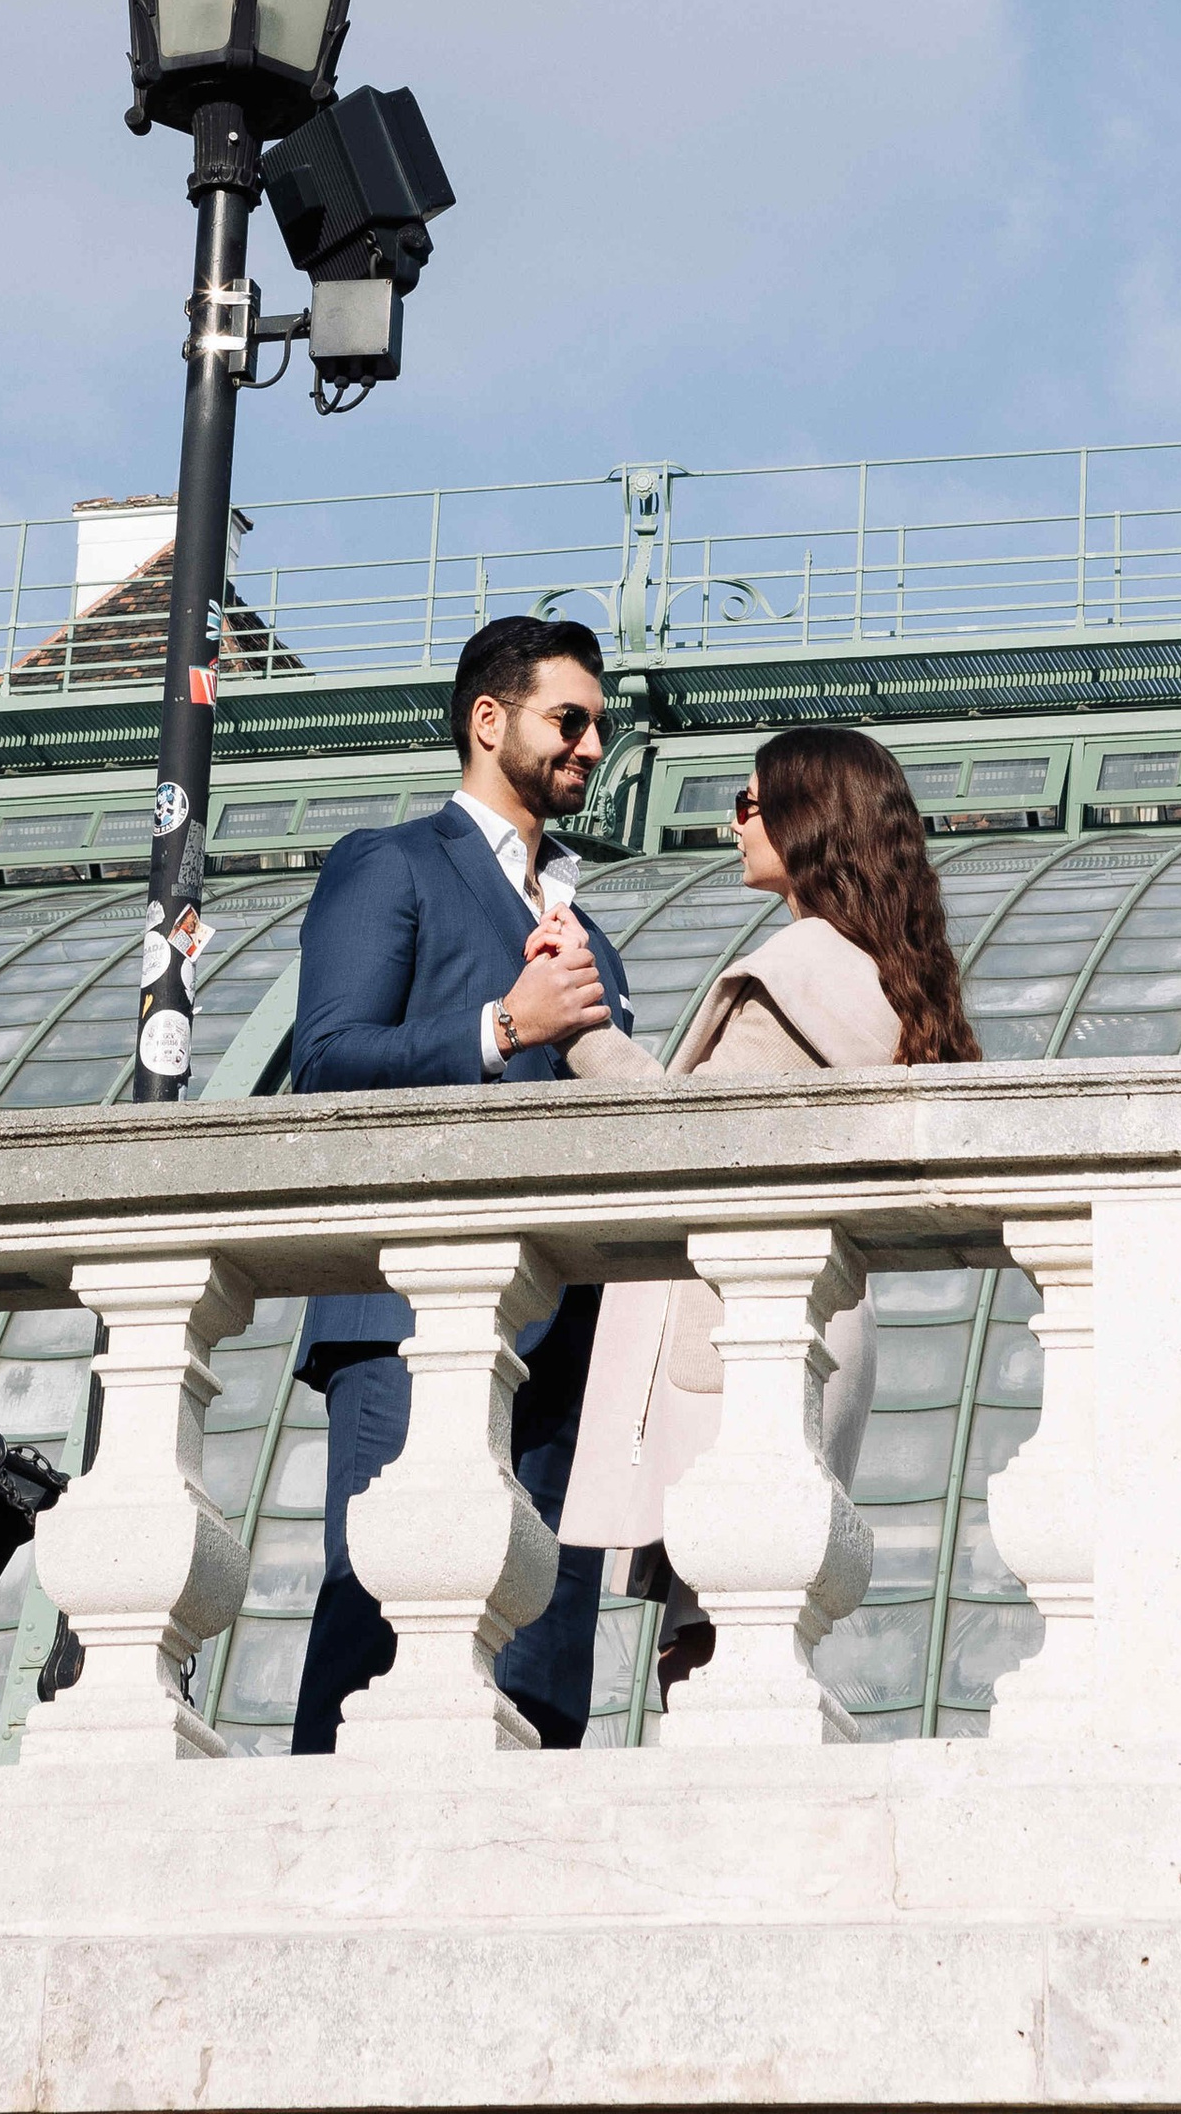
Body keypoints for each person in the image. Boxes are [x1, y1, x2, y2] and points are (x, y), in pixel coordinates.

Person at [555, 723, 980, 1696]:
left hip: (733, 1340)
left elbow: (683, 1140)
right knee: (749, 1636)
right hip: (807, 1328)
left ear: (808, 820)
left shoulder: (794, 976)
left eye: (749, 803)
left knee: (709, 1650)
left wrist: (580, 1029)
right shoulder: (882, 973)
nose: (730, 822)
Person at [285, 612, 631, 1754]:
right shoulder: (390, 864)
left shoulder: (589, 938)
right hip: (404, 1319)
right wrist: (499, 1026)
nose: (590, 746)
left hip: (562, 1337)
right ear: (489, 721)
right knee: (385, 1625)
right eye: (566, 721)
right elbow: (328, 1060)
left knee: (537, 1662)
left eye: (598, 728)